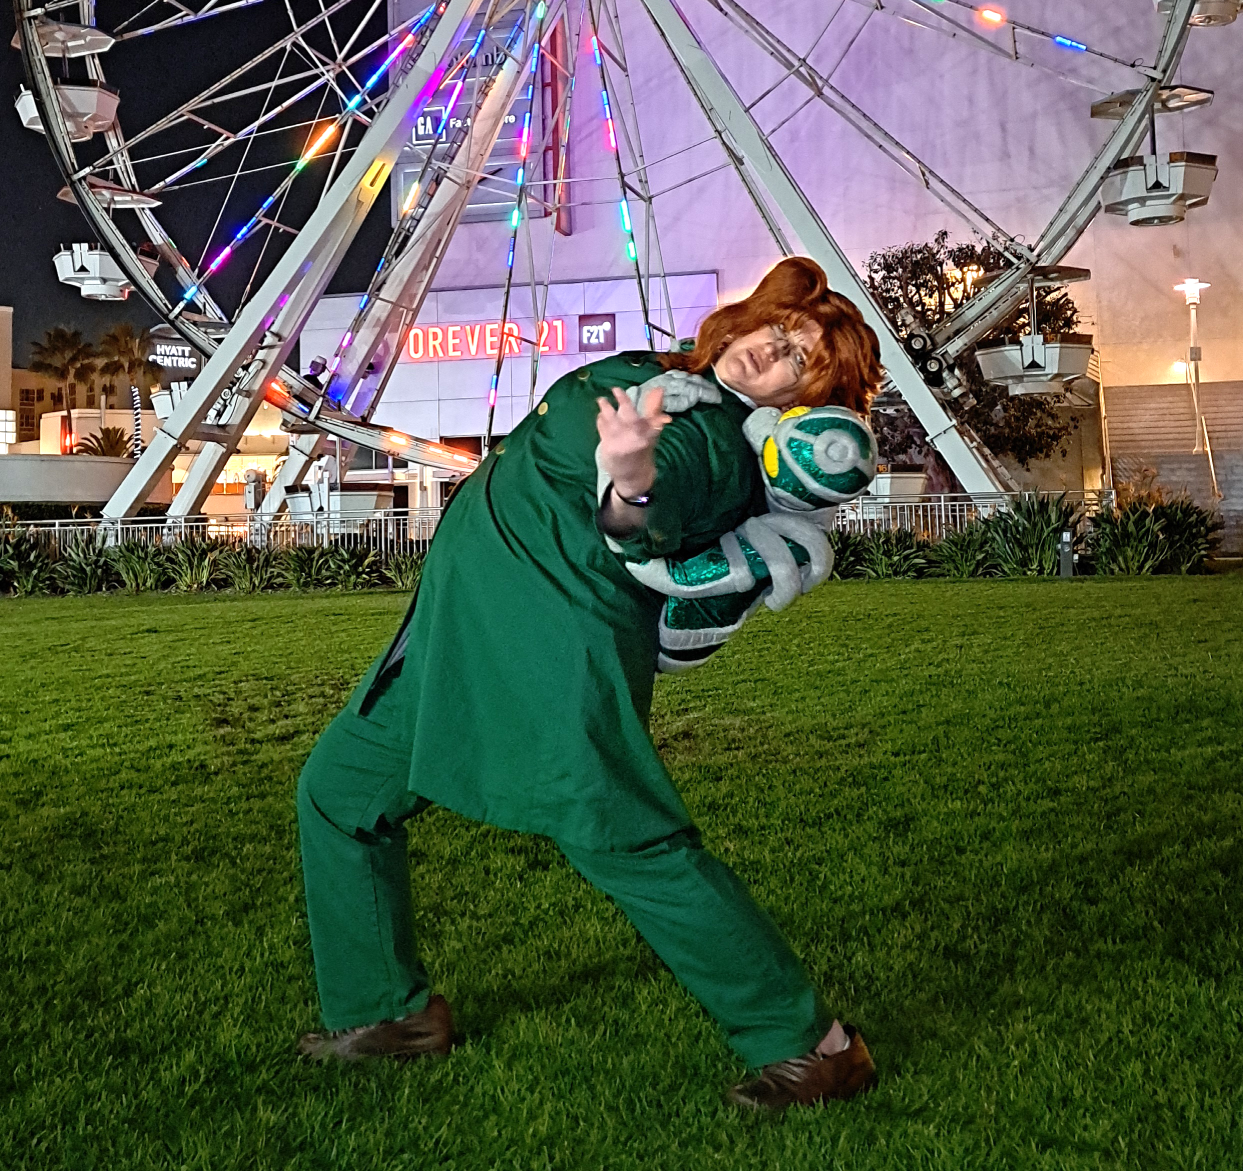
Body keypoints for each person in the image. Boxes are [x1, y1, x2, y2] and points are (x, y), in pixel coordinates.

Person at [295, 256, 883, 1107]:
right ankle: (388, 1012)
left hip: (552, 647)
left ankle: (813, 1045)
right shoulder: (667, 373)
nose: (773, 348)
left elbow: (644, 513)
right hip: (457, 635)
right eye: (780, 327)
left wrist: (630, 476)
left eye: (800, 359)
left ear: (799, 404)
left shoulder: (715, 444)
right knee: (341, 791)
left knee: (625, 837)